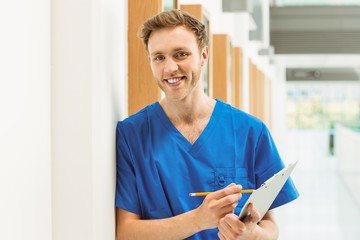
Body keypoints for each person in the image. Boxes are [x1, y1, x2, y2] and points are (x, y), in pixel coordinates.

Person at [115, 9, 299, 240]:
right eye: (159, 57)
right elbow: (125, 231)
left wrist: (251, 234)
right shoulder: (131, 135)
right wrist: (197, 220)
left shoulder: (250, 132)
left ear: (203, 55)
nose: (170, 68)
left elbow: (270, 226)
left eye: (181, 54)